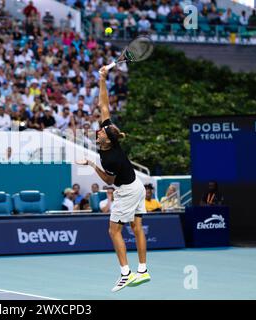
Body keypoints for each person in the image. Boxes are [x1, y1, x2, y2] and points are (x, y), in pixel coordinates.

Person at [76, 65, 150, 292]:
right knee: (137, 228)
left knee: (114, 231)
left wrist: (91, 164)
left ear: (107, 140)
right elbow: (103, 104)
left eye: (100, 133)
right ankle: (143, 270)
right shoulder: (110, 136)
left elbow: (108, 181)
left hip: (127, 191)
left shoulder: (110, 158)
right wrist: (102, 78)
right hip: (136, 185)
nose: (98, 132)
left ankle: (125, 274)